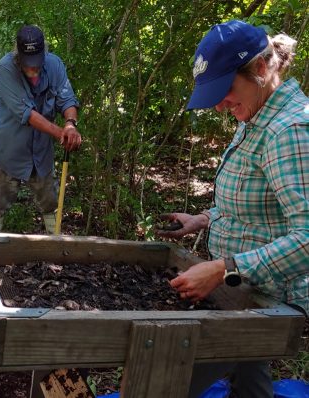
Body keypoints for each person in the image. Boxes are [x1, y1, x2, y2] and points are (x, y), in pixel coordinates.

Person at [157, 20, 308, 397]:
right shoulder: (256, 111)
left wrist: (225, 268)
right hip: (242, 289)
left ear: (261, 68)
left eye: (225, 90)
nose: (222, 104)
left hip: (266, 300)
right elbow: (254, 206)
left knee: (166, 382)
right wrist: (204, 219)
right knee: (250, 382)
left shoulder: (288, 129)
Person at [0, 25, 82, 233]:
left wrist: (70, 125)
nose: (33, 69)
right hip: (10, 148)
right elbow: (26, 113)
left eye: (36, 63)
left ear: (43, 53)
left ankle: (54, 244)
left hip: (41, 150)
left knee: (49, 200)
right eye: (28, 64)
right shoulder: (6, 68)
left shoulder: (54, 65)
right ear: (18, 55)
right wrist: (60, 133)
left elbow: (67, 99)